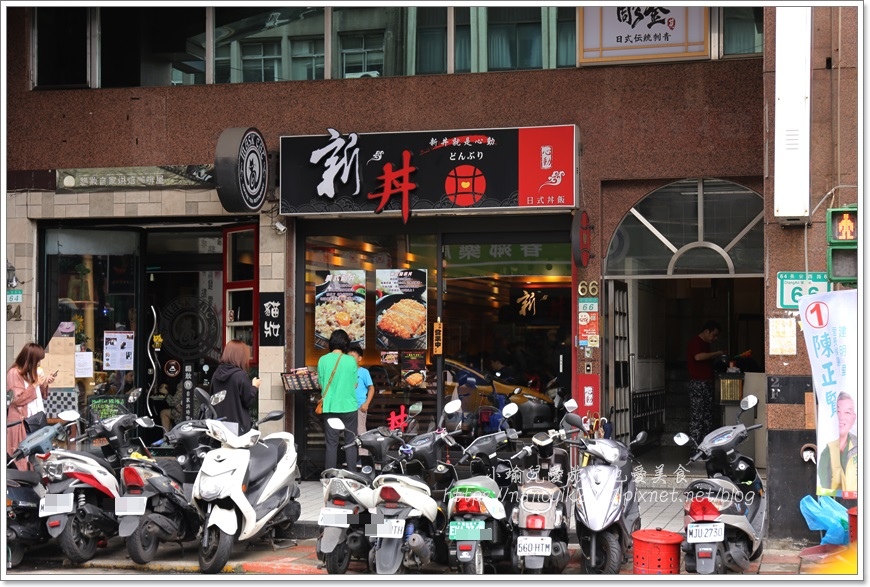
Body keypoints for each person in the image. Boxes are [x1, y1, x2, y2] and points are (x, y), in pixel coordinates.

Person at [6, 342, 56, 471]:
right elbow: (18, 399)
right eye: (38, 360)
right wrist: (35, 384)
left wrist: (44, 383)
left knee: (35, 455)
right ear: (30, 359)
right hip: (22, 421)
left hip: (35, 420)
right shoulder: (14, 373)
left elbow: (40, 395)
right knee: (22, 456)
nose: (39, 364)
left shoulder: (31, 372)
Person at [317, 329, 359, 471]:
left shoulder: (323, 360)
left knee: (331, 444)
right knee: (351, 443)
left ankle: (330, 477)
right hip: (349, 407)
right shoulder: (351, 361)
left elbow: (321, 384)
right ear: (346, 344)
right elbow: (355, 384)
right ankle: (352, 475)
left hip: (330, 407)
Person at [686, 320, 726, 444]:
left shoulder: (705, 344)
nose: (714, 338)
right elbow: (698, 357)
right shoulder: (695, 342)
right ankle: (695, 447)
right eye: (714, 335)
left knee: (707, 416)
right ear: (707, 331)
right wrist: (716, 353)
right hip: (698, 383)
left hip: (707, 382)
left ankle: (706, 445)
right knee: (698, 417)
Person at [209, 339, 260, 435]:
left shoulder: (216, 373)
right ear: (240, 357)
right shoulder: (241, 375)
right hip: (237, 428)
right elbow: (248, 400)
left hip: (219, 427)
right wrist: (254, 386)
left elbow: (213, 399)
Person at [818, 392, 858, 494]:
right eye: (838, 412)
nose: (841, 417)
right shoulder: (828, 450)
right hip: (834, 504)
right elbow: (823, 485)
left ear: (854, 417)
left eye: (847, 413)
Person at [348, 344, 375, 446]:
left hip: (360, 406)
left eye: (352, 356)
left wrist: (366, 403)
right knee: (349, 433)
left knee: (360, 432)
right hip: (347, 407)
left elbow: (371, 388)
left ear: (360, 358)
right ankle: (351, 458)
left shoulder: (364, 372)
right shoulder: (345, 372)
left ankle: (362, 457)